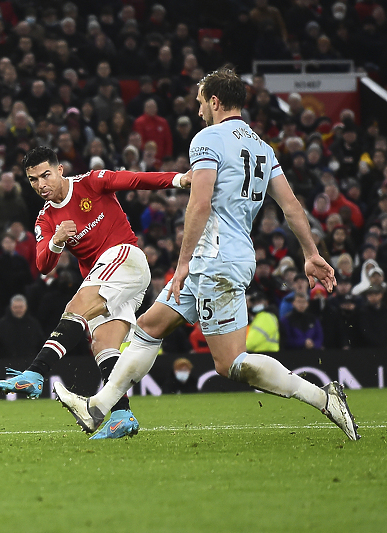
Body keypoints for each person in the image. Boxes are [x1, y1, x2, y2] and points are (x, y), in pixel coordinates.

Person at [54, 67, 359, 441]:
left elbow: (199, 204)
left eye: (200, 102)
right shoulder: (262, 147)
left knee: (229, 362)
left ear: (214, 101)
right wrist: (311, 254)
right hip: (225, 257)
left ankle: (324, 398)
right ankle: (98, 408)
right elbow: (292, 206)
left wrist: (181, 264)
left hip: (214, 261)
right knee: (149, 327)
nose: (198, 110)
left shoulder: (207, 139)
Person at [0, 145, 191, 439]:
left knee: (76, 306)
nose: (41, 184)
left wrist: (178, 179)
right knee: (102, 344)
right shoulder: (45, 220)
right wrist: (57, 241)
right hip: (109, 283)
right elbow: (43, 264)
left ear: (60, 170)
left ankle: (35, 373)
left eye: (46, 175)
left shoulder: (91, 183)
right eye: (33, 180)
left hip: (126, 258)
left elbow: (134, 179)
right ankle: (122, 414)